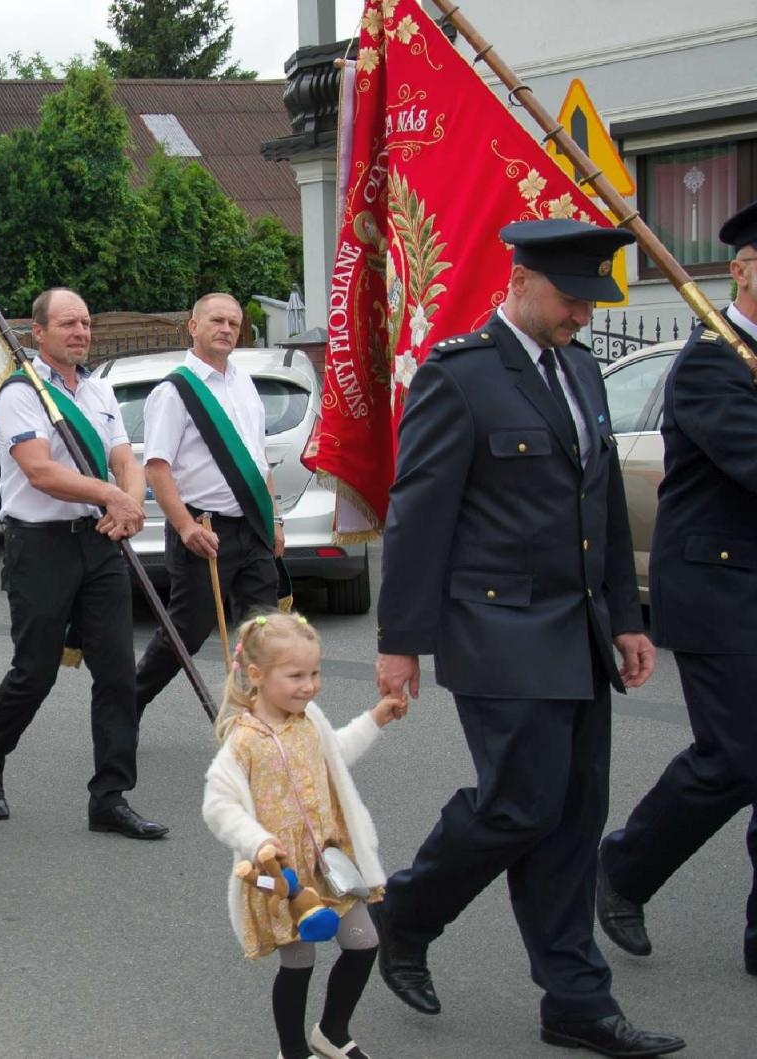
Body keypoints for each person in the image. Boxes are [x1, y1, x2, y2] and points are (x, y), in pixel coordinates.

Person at [372, 219, 684, 1057]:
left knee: (575, 814)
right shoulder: (461, 375)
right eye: (570, 297)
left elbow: (601, 506)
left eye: (591, 301)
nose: (582, 314)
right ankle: (406, 912)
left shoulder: (579, 369)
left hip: (577, 632)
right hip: (496, 626)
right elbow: (418, 515)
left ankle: (576, 1000)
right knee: (520, 805)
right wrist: (400, 641)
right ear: (518, 282)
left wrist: (625, 618)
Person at [597, 198, 757, 980]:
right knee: (737, 755)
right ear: (743, 271)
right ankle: (624, 867)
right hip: (719, 585)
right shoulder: (710, 362)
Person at [0, 288, 163, 840]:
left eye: (85, 323)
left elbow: (126, 460)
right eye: (68, 324)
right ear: (39, 333)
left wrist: (128, 505)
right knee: (36, 671)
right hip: (40, 546)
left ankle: (110, 796)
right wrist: (113, 496)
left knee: (118, 673)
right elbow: (40, 472)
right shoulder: (20, 392)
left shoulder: (98, 390)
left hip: (99, 542)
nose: (80, 333)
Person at [203, 613, 404, 1059]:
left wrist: (375, 719)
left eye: (314, 673)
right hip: (284, 875)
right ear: (256, 675)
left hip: (328, 862)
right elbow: (218, 805)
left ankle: (332, 1032)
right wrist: (256, 840)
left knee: (363, 943)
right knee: (299, 960)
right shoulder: (243, 741)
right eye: (296, 676)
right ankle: (292, 1051)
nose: (309, 686)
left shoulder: (309, 718)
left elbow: (337, 753)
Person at [135, 292, 283, 714]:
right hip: (203, 530)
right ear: (193, 326)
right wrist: (185, 527)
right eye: (217, 320)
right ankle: (127, 704)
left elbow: (258, 461)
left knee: (263, 631)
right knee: (187, 632)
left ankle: (262, 722)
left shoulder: (244, 382)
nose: (226, 329)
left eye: (233, 323)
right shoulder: (174, 391)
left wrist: (274, 520)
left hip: (252, 526)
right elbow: (157, 468)